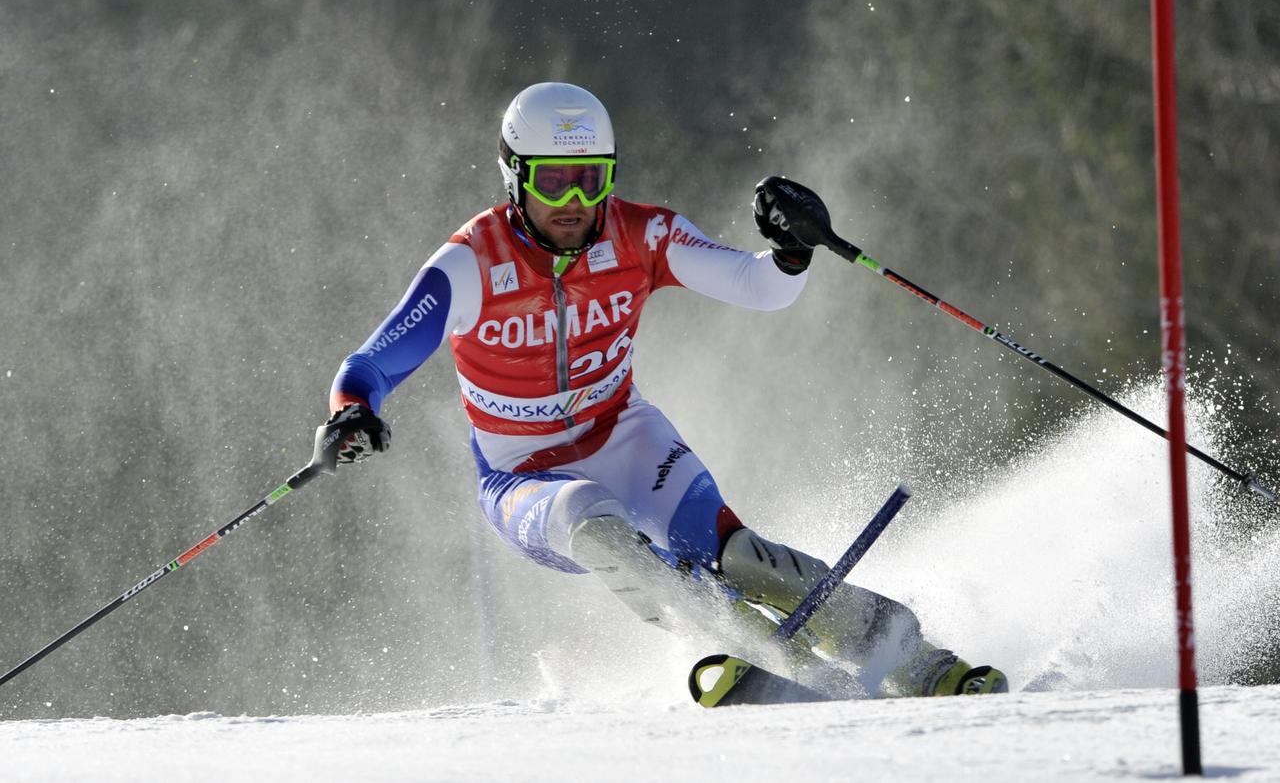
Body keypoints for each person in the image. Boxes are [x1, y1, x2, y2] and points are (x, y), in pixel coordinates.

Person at [324, 81, 1006, 697]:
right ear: (514, 178)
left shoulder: (640, 234)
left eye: (591, 182)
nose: (574, 204)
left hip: (626, 438)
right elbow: (375, 361)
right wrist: (352, 412)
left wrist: (794, 251)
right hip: (521, 475)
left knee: (744, 559)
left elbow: (758, 287)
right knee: (598, 529)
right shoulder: (473, 263)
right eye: (554, 183)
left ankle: (913, 658)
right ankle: (759, 656)